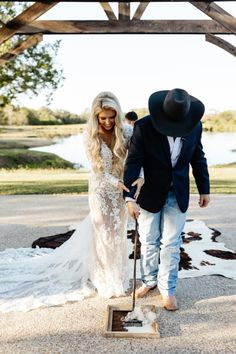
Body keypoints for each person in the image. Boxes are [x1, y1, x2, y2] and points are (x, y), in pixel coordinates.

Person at [0, 91, 143, 312]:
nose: (107, 122)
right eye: (102, 118)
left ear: (118, 114)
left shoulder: (128, 131)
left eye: (111, 117)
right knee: (103, 234)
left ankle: (118, 276)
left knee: (117, 232)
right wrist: (118, 184)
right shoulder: (90, 136)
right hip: (101, 190)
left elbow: (138, 158)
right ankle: (105, 280)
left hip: (121, 192)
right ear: (95, 117)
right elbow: (99, 171)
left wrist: (137, 179)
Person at [124, 88, 210, 311]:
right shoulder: (143, 127)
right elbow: (133, 161)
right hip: (149, 192)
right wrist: (129, 198)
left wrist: (204, 189)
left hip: (178, 191)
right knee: (149, 239)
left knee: (171, 243)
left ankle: (168, 289)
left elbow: (198, 157)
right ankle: (149, 281)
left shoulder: (195, 126)